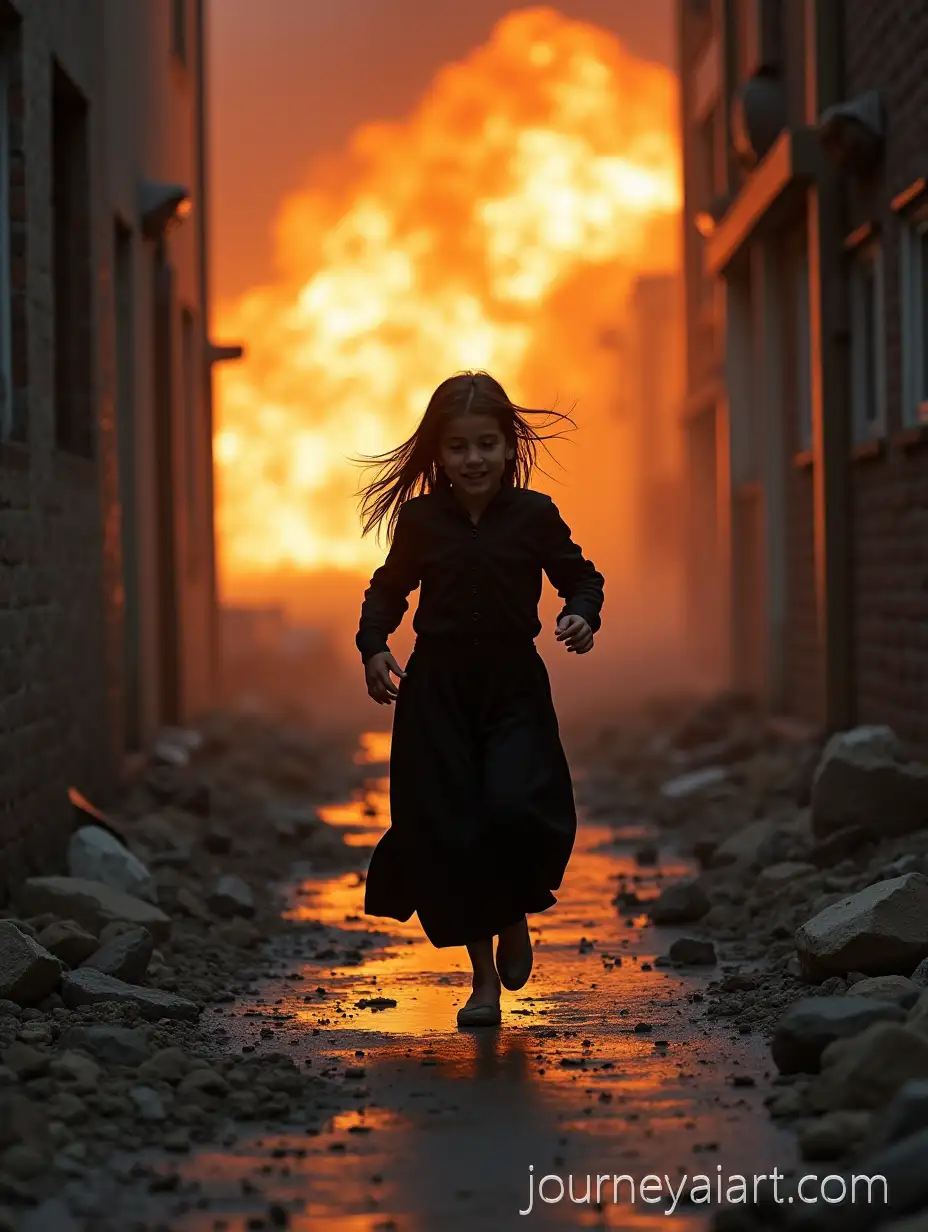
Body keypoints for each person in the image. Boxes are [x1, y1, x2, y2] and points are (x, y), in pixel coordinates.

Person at [354, 371, 604, 1028]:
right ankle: (483, 981)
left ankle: (515, 910)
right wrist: (374, 645)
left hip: (513, 686)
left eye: (486, 444)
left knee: (515, 805)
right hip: (437, 692)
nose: (473, 459)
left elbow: (579, 578)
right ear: (438, 453)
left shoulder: (534, 515)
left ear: (507, 444)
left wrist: (582, 615)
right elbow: (388, 590)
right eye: (459, 447)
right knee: (455, 832)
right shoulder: (420, 521)